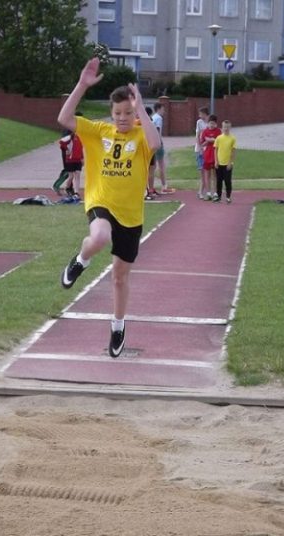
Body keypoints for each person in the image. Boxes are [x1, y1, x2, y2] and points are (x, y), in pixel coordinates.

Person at [58, 58, 161, 358]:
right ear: (111, 113)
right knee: (100, 237)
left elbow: (155, 143)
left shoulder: (142, 134)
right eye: (118, 113)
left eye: (128, 113)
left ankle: (118, 326)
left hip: (131, 214)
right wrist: (81, 85)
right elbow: (65, 118)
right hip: (101, 202)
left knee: (119, 275)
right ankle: (81, 260)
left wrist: (140, 106)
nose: (123, 118)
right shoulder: (99, 132)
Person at [151, 103, 173, 194]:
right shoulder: (159, 118)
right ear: (158, 109)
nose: (164, 111)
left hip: (151, 143)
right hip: (158, 143)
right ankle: (164, 186)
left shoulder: (153, 117)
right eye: (163, 109)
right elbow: (158, 130)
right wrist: (159, 142)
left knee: (152, 166)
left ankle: (150, 187)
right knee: (161, 165)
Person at [213, 120, 237, 203]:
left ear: (230, 128)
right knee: (219, 181)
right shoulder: (219, 138)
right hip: (219, 163)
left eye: (227, 127)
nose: (226, 128)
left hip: (228, 164)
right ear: (222, 128)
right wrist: (216, 161)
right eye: (224, 127)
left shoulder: (232, 138)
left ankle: (228, 196)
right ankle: (218, 196)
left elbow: (233, 152)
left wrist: (230, 162)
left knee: (227, 181)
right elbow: (215, 150)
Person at [200, 114, 221, 200]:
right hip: (207, 155)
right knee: (207, 174)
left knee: (215, 175)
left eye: (213, 123)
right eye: (210, 123)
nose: (211, 125)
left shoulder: (218, 131)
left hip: (216, 156)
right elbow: (202, 144)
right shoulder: (205, 132)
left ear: (216, 124)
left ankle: (215, 193)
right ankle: (208, 193)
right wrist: (207, 141)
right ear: (207, 123)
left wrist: (214, 140)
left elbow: (220, 143)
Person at [59, 127, 83, 199]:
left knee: (77, 175)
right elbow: (61, 143)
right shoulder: (69, 137)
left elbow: (81, 148)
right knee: (71, 176)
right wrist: (66, 149)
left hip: (78, 159)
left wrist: (82, 157)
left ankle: (77, 192)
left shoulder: (81, 138)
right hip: (70, 160)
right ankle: (66, 188)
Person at [194, 106, 210, 199]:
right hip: (200, 149)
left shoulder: (210, 122)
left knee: (207, 172)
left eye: (200, 113)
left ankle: (206, 191)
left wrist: (205, 143)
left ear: (204, 113)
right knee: (202, 171)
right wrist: (199, 146)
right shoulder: (199, 122)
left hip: (207, 148)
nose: (199, 115)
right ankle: (200, 191)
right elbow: (197, 135)